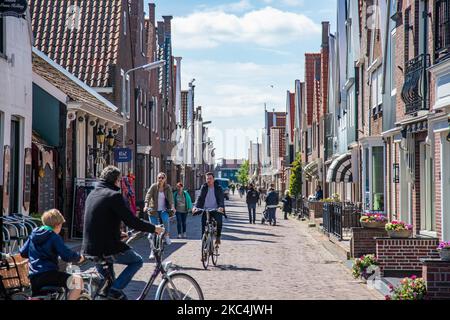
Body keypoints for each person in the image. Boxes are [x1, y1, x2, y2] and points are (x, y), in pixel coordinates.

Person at [82, 166, 163, 300]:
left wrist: (118, 233)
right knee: (136, 261)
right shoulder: (114, 195)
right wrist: (154, 228)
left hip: (89, 248)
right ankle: (114, 290)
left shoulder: (92, 193)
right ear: (116, 180)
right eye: (120, 180)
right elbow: (132, 221)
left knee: (106, 288)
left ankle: (110, 292)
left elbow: (100, 220)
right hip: (106, 248)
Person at [20, 209, 85, 300]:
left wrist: (35, 255)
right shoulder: (54, 236)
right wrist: (79, 258)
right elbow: (66, 255)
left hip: (33, 277)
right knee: (78, 281)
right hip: (49, 275)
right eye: (61, 225)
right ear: (57, 225)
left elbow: (23, 252)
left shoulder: (33, 234)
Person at [144, 172, 176, 259]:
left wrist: (172, 207)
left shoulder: (167, 187)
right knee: (153, 231)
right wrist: (146, 205)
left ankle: (166, 235)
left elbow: (170, 197)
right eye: (159, 178)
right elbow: (148, 195)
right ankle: (152, 251)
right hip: (153, 210)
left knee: (166, 220)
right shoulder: (154, 186)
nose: (160, 179)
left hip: (163, 210)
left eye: (162, 178)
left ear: (165, 179)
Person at [192, 172, 226, 248]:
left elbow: (221, 199)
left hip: (216, 210)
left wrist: (221, 207)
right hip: (206, 210)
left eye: (210, 178)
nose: (208, 180)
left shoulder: (218, 188)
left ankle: (218, 237)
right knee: (203, 226)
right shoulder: (203, 187)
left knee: (219, 223)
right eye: (207, 178)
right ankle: (203, 246)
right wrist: (195, 207)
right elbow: (199, 198)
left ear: (213, 179)